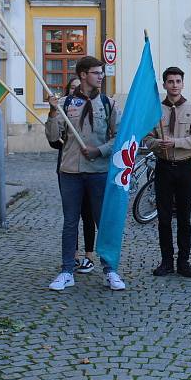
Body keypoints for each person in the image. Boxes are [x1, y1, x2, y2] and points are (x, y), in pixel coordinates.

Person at [45, 56, 123, 291]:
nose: (101, 76)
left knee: (103, 222)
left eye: (101, 72)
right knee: (70, 222)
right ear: (83, 75)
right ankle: (67, 270)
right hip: (70, 171)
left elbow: (117, 137)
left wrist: (99, 151)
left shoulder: (109, 104)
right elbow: (52, 137)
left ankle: (110, 271)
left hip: (99, 171)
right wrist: (51, 112)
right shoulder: (67, 103)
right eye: (96, 73)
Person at [144, 66, 191, 277]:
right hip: (164, 168)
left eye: (178, 81)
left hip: (185, 167)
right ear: (164, 85)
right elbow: (147, 138)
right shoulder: (155, 110)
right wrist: (157, 145)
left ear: (182, 83)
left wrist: (175, 143)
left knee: (184, 218)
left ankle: (184, 262)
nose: (175, 85)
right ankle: (166, 261)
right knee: (163, 217)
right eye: (171, 82)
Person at [48, 77, 97, 276]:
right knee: (71, 216)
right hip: (68, 168)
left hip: (90, 168)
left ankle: (90, 255)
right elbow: (53, 140)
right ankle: (73, 255)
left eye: (79, 88)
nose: (76, 91)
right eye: (73, 88)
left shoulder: (93, 109)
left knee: (88, 214)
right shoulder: (63, 109)